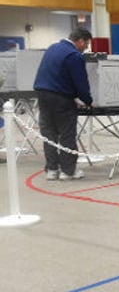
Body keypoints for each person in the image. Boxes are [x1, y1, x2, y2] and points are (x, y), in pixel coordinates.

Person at [33, 27, 93, 181]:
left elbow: (56, 76)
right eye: (86, 44)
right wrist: (88, 101)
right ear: (80, 41)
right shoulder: (74, 55)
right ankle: (68, 171)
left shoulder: (53, 48)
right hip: (61, 99)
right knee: (66, 133)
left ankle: (52, 170)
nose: (85, 48)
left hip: (42, 94)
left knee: (49, 134)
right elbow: (80, 83)